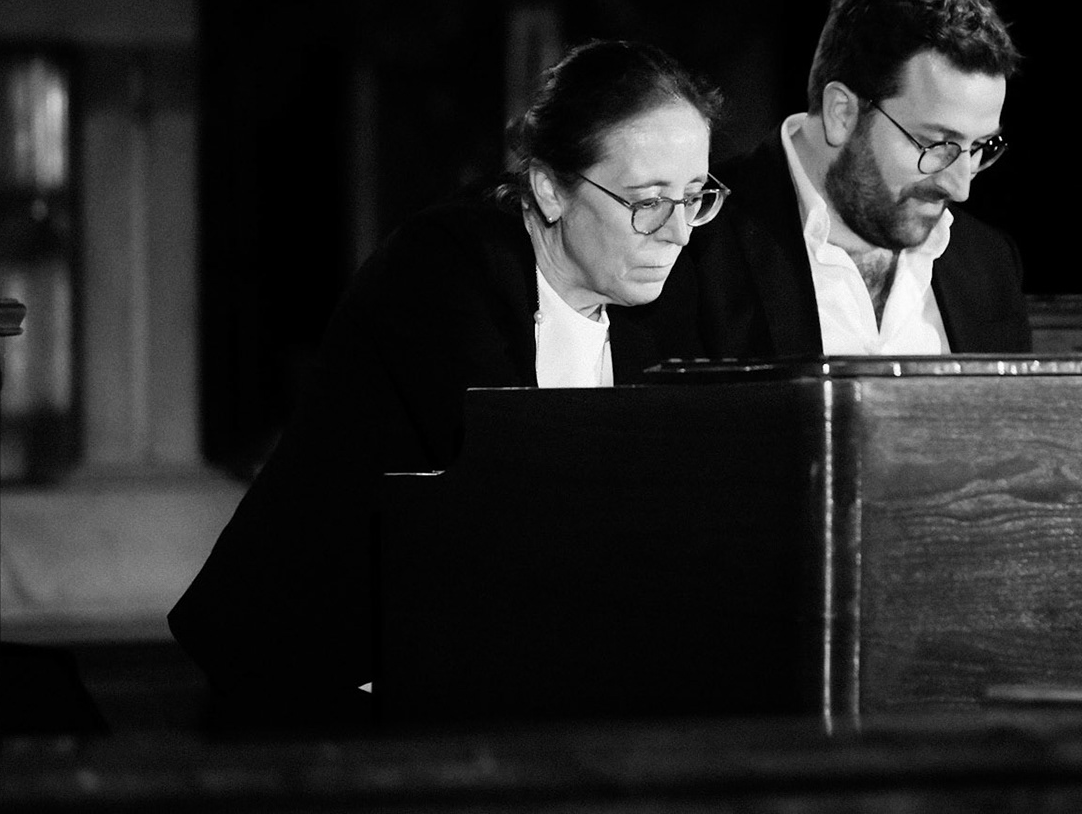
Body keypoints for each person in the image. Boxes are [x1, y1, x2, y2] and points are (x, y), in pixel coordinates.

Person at [168, 39, 726, 726]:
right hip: (320, 672)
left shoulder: (663, 291)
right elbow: (515, 497)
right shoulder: (444, 268)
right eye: (646, 201)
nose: (676, 233)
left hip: (486, 662)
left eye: (694, 197)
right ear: (550, 187)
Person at [633, 0, 1029, 360]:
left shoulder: (988, 263)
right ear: (842, 112)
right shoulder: (689, 243)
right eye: (936, 144)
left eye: (979, 147)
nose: (960, 187)